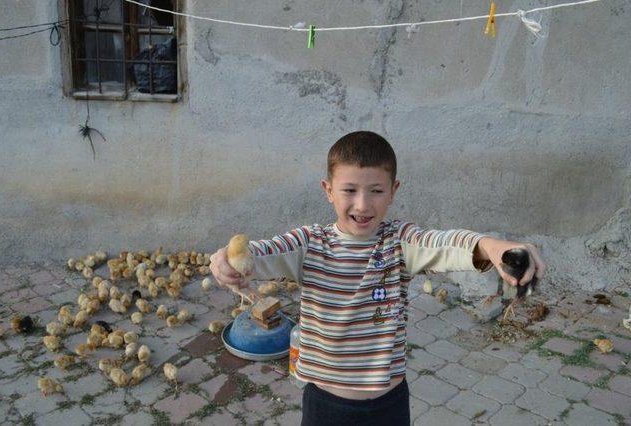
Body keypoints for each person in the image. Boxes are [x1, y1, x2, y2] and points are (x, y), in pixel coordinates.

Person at [210, 131, 546, 425]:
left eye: (376, 191)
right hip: (326, 408)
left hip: (389, 405)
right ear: (328, 190)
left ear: (393, 190)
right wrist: (228, 261)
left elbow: (443, 244)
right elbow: (258, 254)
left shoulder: (399, 242)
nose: (362, 204)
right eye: (350, 190)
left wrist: (489, 245)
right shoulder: (309, 243)